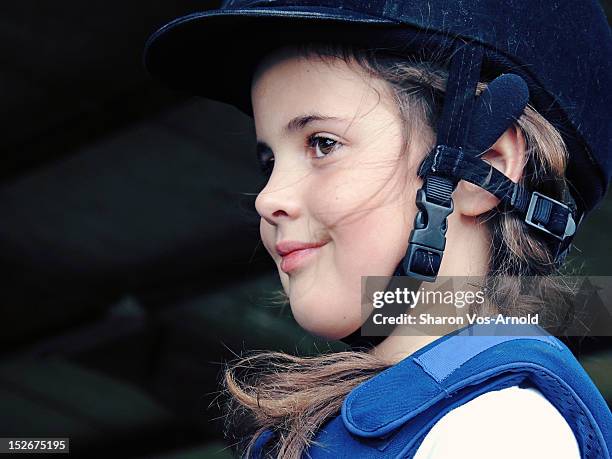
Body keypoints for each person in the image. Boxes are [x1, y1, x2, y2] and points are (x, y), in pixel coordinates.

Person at [143, 1, 612, 457]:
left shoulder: (500, 432)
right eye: (269, 160)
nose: (267, 198)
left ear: (482, 169)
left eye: (322, 143)